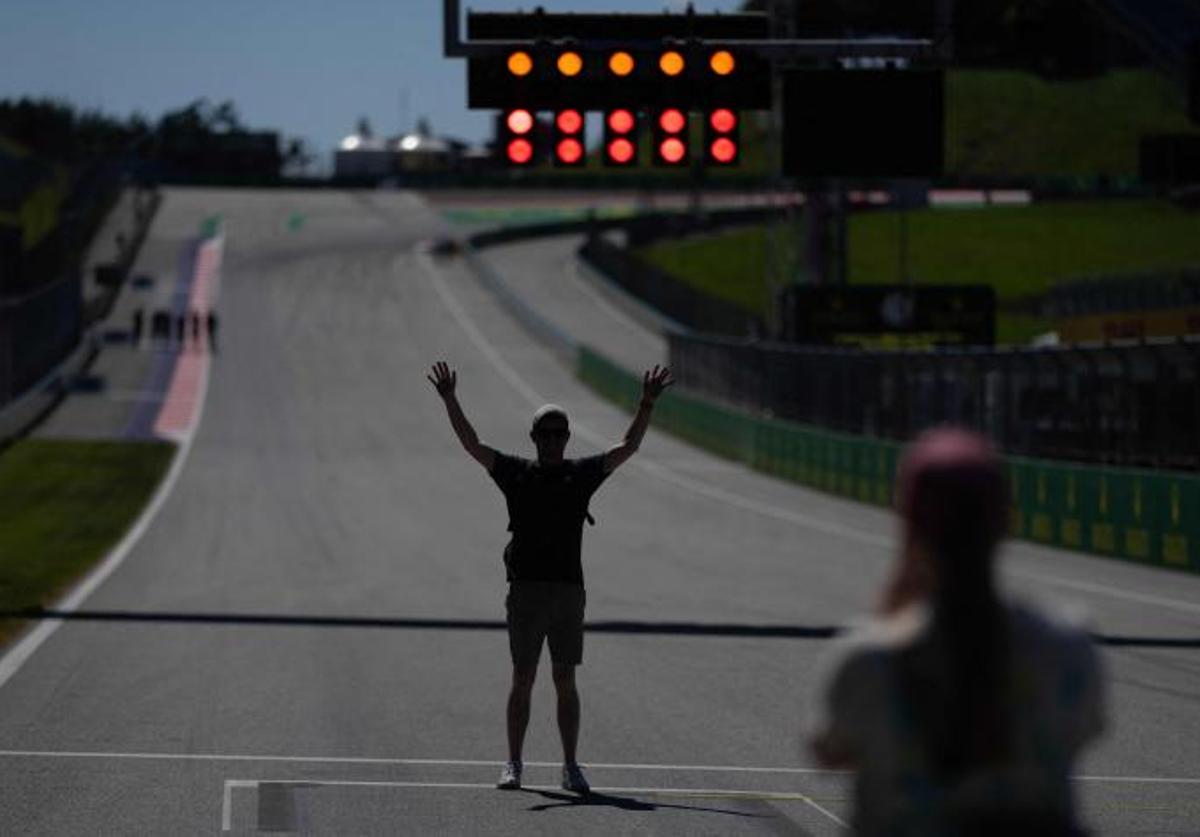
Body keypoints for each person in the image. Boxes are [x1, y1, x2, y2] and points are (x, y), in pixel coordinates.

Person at [808, 427, 1105, 836]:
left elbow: (831, 753)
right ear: (1005, 522)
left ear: (908, 526)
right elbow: (1087, 729)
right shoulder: (1069, 649)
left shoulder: (868, 661)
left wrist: (889, 616)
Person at [428, 360, 673, 795]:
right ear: (534, 438)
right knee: (523, 676)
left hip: (568, 592)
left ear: (567, 439)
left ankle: (570, 765)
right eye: (547, 434)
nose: (554, 441)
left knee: (565, 678)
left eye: (560, 434)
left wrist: (647, 404)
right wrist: (450, 399)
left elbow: (627, 447)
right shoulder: (518, 474)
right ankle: (513, 763)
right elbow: (472, 444)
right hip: (525, 590)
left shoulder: (580, 476)